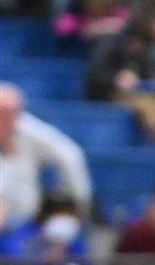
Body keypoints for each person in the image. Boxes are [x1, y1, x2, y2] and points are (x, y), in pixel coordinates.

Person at [0, 83, 93, 230]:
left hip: (26, 219)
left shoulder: (29, 130)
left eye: (11, 114)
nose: (6, 120)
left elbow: (71, 156)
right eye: (2, 114)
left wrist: (78, 205)